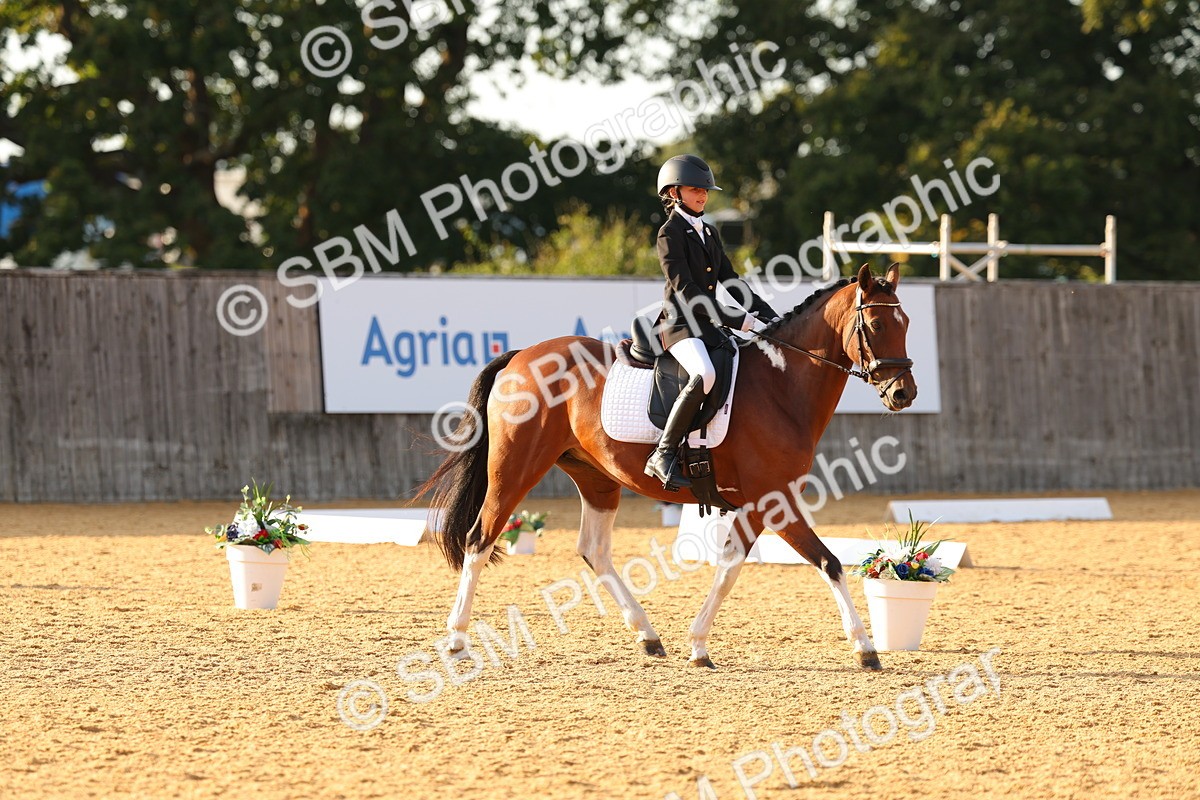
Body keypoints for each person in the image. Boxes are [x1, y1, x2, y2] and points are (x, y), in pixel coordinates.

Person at [644, 154, 780, 491]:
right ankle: (663, 453)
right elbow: (687, 292)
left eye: (706, 190)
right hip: (679, 325)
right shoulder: (668, 234)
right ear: (673, 193)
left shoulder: (709, 232)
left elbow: (731, 281)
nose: (703, 195)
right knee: (703, 373)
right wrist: (737, 319)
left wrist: (770, 317)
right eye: (695, 190)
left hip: (708, 327)